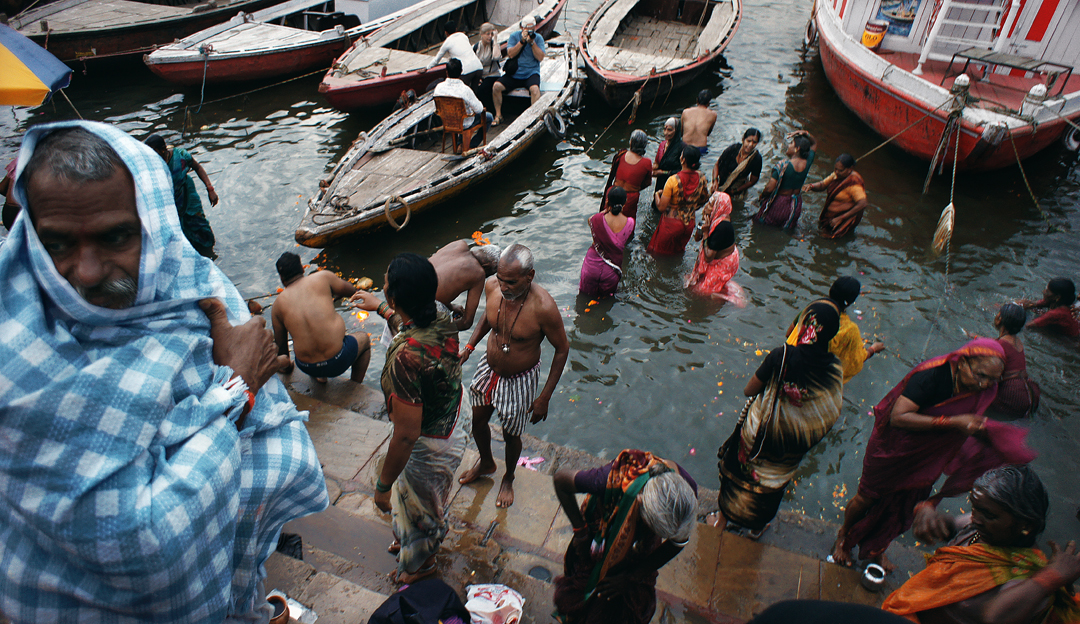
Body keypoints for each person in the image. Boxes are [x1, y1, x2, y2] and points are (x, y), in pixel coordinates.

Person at [0, 121, 327, 620]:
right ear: (29, 235)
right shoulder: (15, 349)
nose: (86, 271)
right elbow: (142, 546)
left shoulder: (189, 285)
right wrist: (236, 388)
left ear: (154, 228)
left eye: (115, 237)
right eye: (58, 243)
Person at [831, 338, 1035, 571]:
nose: (984, 384)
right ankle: (844, 538)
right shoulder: (931, 377)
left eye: (992, 379)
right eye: (980, 375)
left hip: (929, 456)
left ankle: (878, 549)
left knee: (905, 506)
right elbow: (898, 417)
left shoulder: (984, 388)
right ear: (962, 361)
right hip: (893, 449)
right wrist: (953, 422)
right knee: (867, 497)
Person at [350, 254, 467, 584]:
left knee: (422, 508)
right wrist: (381, 308)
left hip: (431, 441)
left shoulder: (406, 357)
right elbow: (408, 324)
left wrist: (382, 488)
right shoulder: (441, 314)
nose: (383, 287)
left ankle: (422, 566)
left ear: (395, 298)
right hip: (452, 415)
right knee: (416, 499)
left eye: (386, 286)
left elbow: (405, 434)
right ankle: (407, 538)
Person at [883, 465, 1080, 624]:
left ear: (1025, 525)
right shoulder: (979, 525)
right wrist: (927, 512)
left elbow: (996, 617)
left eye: (989, 515)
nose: (975, 519)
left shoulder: (1026, 577)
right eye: (974, 508)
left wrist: (1052, 577)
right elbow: (950, 525)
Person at [714, 302, 844, 538]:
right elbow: (829, 412)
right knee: (771, 487)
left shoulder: (782, 355)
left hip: (758, 438)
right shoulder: (835, 369)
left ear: (805, 325)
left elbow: (749, 390)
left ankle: (721, 522)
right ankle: (756, 528)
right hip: (791, 448)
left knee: (737, 473)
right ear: (832, 333)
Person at [458, 244, 570, 508]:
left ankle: (508, 477)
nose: (504, 286)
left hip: (520, 379)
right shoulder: (492, 288)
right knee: (478, 420)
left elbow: (562, 349)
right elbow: (488, 317)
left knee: (511, 434)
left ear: (529, 277)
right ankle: (486, 462)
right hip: (489, 368)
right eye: (500, 279)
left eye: (511, 281)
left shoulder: (543, 307)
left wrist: (544, 397)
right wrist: (470, 346)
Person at [552, 449, 698, 624]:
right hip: (604, 527)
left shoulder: (686, 497)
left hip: (643, 540)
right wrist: (581, 533)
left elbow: (678, 542)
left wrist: (632, 576)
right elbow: (561, 480)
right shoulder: (609, 480)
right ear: (640, 503)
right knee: (586, 589)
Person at [271, 251, 372, 383]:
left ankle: (320, 377)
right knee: (364, 339)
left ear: (282, 278)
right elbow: (351, 291)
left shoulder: (277, 306)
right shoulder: (323, 277)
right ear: (302, 268)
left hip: (307, 367)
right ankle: (355, 385)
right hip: (338, 361)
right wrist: (332, 294)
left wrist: (287, 368)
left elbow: (283, 352)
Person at [792, 276, 884, 384]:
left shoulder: (813, 308)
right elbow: (856, 361)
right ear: (849, 302)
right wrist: (873, 349)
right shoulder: (850, 330)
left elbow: (790, 333)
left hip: (792, 366)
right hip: (815, 383)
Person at [144, 133, 218, 257]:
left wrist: (210, 189)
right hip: (169, 201)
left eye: (155, 152)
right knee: (178, 232)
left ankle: (209, 252)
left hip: (187, 194)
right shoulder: (151, 165)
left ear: (163, 150)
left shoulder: (181, 156)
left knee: (199, 224)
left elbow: (197, 167)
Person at [977, 303, 1040, 419]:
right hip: (1031, 393)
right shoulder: (1016, 340)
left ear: (999, 318)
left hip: (1012, 396)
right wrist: (977, 338)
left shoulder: (999, 345)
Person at [647, 144, 709, 255]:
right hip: (689, 223)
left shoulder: (673, 180)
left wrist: (657, 194)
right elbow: (704, 199)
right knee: (678, 252)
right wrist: (691, 205)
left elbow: (661, 207)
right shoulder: (702, 177)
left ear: (683, 160)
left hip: (671, 225)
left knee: (659, 255)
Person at [429, 239, 502, 331]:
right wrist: (443, 329)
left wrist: (451, 307)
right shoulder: (479, 273)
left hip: (408, 284)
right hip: (419, 304)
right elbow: (466, 322)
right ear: (487, 267)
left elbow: (438, 281)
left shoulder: (459, 244)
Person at [755, 129, 816, 229]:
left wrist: (761, 197)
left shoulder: (783, 165)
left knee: (760, 225)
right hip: (795, 205)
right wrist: (805, 133)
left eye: (791, 143)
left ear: (797, 149)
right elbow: (814, 143)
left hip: (779, 205)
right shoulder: (807, 162)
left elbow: (769, 189)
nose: (788, 145)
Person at [580, 187, 634, 297]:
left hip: (591, 267)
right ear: (625, 203)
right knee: (606, 301)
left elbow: (590, 220)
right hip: (611, 271)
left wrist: (606, 210)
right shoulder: (630, 223)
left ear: (607, 201)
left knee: (583, 298)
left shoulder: (596, 219)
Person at [492, 16, 545, 126]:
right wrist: (521, 42)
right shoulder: (514, 36)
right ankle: (498, 115)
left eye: (532, 29)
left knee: (535, 90)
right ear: (522, 28)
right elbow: (510, 54)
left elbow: (540, 57)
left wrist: (532, 43)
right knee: (496, 86)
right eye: (528, 29)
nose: (531, 32)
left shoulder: (538, 38)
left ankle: (533, 117)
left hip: (531, 73)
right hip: (514, 73)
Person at [803, 153, 868, 238]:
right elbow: (823, 185)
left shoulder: (854, 184)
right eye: (835, 169)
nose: (837, 172)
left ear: (850, 169)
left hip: (841, 221)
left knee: (826, 239)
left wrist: (841, 217)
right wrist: (811, 186)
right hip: (830, 217)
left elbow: (863, 203)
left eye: (840, 170)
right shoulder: (837, 175)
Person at [434, 58, 493, 149]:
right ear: (461, 72)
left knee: (462, 114)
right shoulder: (464, 90)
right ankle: (470, 145)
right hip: (464, 123)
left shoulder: (439, 88)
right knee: (489, 117)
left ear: (447, 72)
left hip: (447, 121)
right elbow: (479, 109)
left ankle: (459, 143)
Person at [601, 129, 652, 220]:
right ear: (644, 145)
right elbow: (647, 183)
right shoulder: (647, 162)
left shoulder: (621, 155)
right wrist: (635, 188)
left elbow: (613, 174)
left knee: (607, 220)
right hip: (629, 199)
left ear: (631, 142)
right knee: (627, 224)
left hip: (613, 193)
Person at [685, 216, 740, 300]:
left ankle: (718, 297)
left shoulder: (721, 227)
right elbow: (697, 238)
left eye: (711, 205)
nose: (706, 207)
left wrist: (706, 234)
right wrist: (702, 229)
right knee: (691, 283)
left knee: (697, 292)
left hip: (723, 263)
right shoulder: (712, 221)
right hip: (718, 261)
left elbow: (708, 257)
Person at [423, 20, 483, 88]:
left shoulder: (447, 42)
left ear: (446, 33)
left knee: (460, 92)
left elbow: (437, 59)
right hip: (478, 67)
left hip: (466, 71)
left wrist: (427, 68)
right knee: (474, 91)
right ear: (456, 29)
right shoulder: (463, 35)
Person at [711, 127, 763, 201]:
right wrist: (715, 180)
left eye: (754, 142)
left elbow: (753, 180)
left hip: (736, 187)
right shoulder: (733, 149)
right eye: (748, 141)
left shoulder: (756, 158)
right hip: (720, 181)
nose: (751, 144)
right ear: (743, 139)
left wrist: (736, 191)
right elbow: (717, 164)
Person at [651, 117, 685, 208]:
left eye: (669, 130)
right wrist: (650, 169)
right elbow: (657, 163)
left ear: (677, 131)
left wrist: (663, 172)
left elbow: (682, 171)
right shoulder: (662, 145)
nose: (666, 132)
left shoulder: (682, 148)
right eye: (665, 129)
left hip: (673, 183)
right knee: (656, 206)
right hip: (660, 181)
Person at [474, 22, 503, 108]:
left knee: (483, 89)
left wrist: (495, 41)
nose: (490, 36)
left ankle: (486, 110)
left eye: (491, 34)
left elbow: (497, 57)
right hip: (480, 75)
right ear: (482, 35)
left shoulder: (494, 45)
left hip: (492, 74)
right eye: (487, 34)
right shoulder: (477, 47)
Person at [681, 89, 716, 155]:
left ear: (697, 100)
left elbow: (681, 132)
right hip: (701, 148)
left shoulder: (685, 112)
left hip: (684, 146)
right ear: (708, 103)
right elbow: (708, 133)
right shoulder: (713, 114)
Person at [1, 158, 19, 230]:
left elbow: (2, 188)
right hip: (23, 212)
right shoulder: (50, 162)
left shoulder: (20, 160)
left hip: (8, 212)